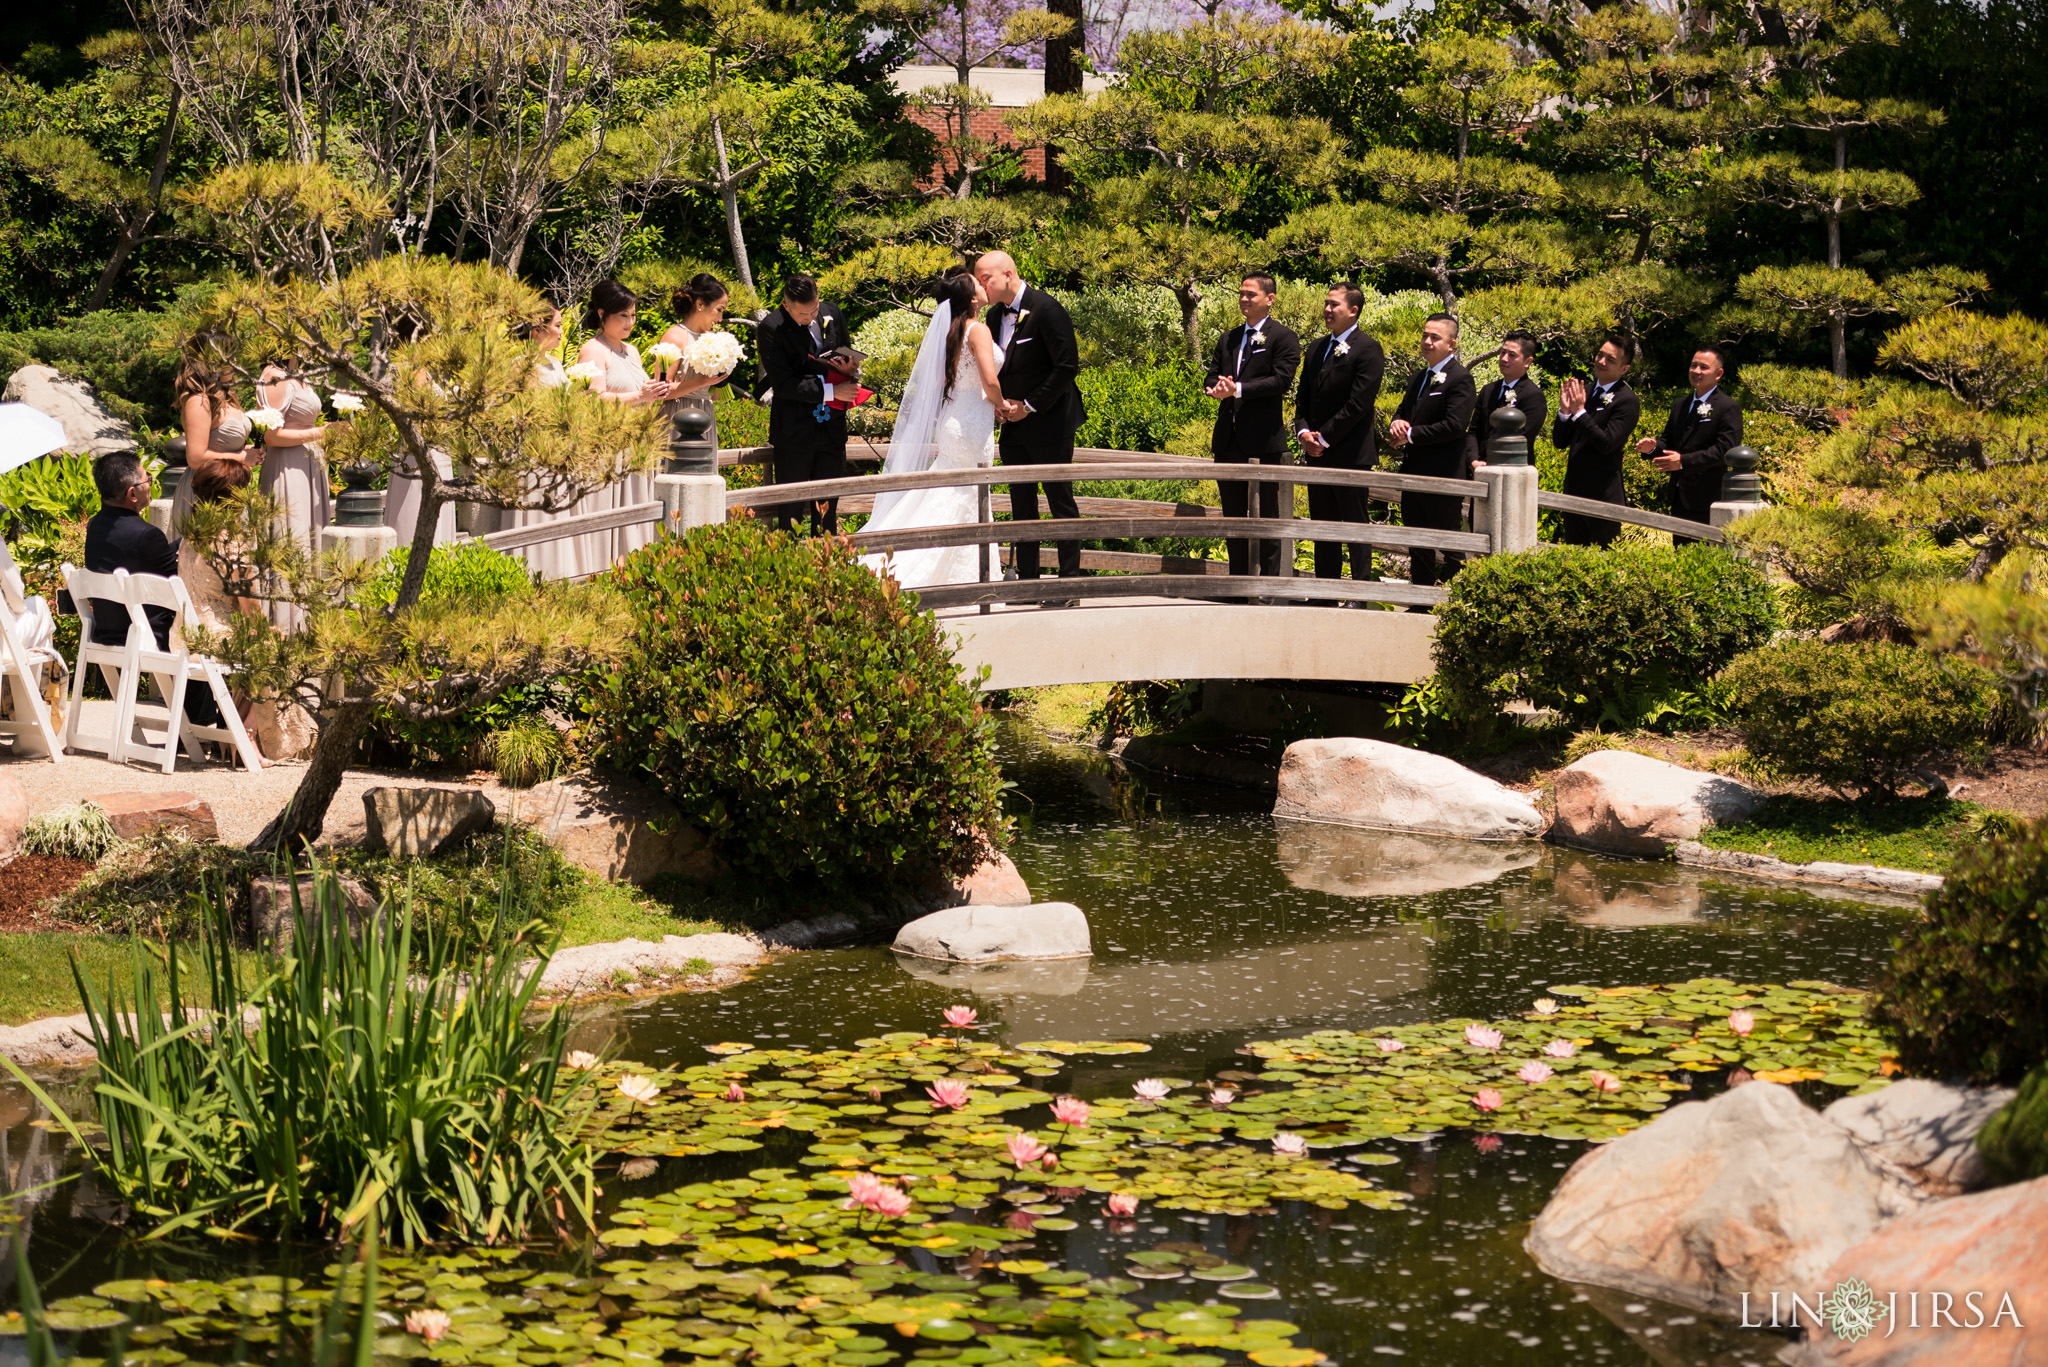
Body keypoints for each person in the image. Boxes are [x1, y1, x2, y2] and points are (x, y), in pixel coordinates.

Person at [858, 270, 1007, 589]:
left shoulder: (951, 331)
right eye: (978, 284)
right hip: (971, 421)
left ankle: (957, 574)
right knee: (968, 492)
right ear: (971, 298)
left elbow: (942, 381)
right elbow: (990, 380)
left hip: (954, 416)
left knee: (953, 491)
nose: (984, 285)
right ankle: (957, 580)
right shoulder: (977, 329)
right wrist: (1002, 404)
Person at [83, 452, 224, 731]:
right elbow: (176, 585)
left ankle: (196, 723)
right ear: (132, 494)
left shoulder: (95, 525)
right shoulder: (147, 535)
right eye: (148, 479)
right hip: (144, 633)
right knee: (202, 630)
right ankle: (201, 723)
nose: (151, 483)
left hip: (107, 628)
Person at [974, 250, 1087, 592]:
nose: (981, 286)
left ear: (1007, 274)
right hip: (1013, 427)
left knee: (1060, 502)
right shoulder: (994, 316)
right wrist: (998, 403)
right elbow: (997, 368)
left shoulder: (1047, 309)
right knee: (1021, 505)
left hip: (1050, 423)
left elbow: (1067, 367)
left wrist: (1030, 405)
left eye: (985, 279)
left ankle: (1068, 585)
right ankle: (1028, 584)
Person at [1205, 273, 1301, 579]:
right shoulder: (1229, 338)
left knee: (1269, 517)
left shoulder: (1283, 337)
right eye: (1241, 294)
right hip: (1228, 440)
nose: (1244, 299)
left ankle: (1271, 583)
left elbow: (1281, 380)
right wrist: (1217, 388)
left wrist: (1240, 389)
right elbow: (1212, 375)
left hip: (1264, 440)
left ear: (1269, 299)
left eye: (1251, 294)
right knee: (1233, 517)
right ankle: (1238, 583)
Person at [1293, 282, 1386, 589]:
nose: (1328, 309)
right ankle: (1325, 591)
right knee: (1323, 526)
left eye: (1335, 305)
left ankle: (1359, 591)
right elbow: (1304, 396)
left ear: (1353, 311)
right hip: (1316, 453)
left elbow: (1359, 404)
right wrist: (1304, 432)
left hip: (1351, 454)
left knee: (1355, 526)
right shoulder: (1317, 347)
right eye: (1326, 303)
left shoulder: (1368, 349)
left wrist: (1324, 438)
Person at [575, 279, 670, 562]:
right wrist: (639, 396)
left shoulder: (633, 350)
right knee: (614, 507)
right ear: (602, 314)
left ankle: (637, 562)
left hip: (639, 439)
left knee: (640, 504)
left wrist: (653, 394)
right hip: (611, 442)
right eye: (623, 315)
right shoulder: (593, 349)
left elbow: (637, 394)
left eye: (633, 315)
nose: (630, 322)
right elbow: (593, 399)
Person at [755, 273, 855, 534]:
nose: (810, 318)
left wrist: (849, 368)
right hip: (794, 430)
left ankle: (827, 565)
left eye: (814, 310)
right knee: (790, 510)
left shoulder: (832, 312)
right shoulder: (771, 327)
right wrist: (832, 391)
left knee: (827, 508)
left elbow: (845, 349)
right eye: (802, 314)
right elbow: (785, 384)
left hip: (831, 427)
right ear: (786, 306)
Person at [1388, 313, 1477, 592]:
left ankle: (1457, 599)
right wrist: (1396, 423)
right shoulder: (1417, 377)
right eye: (1425, 335)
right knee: (1417, 541)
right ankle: (1421, 599)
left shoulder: (1460, 378)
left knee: (1448, 541)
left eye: (1434, 337)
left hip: (1444, 474)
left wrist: (1410, 435)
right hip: (1414, 472)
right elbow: (1403, 411)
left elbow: (1455, 425)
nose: (1427, 342)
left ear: (1451, 344)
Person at [254, 357, 330, 631]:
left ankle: (311, 622)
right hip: (288, 469)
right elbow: (272, 437)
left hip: (309, 464)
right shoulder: (274, 376)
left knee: (311, 541)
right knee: (293, 540)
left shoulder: (297, 372)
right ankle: (287, 626)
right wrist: (320, 433)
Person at [1639, 343, 1743, 531]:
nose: (1696, 371)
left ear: (1718, 374)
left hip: (1709, 497)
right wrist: (1653, 447)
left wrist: (1683, 461)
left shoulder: (1728, 407)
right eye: (1693, 365)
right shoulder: (1680, 405)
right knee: (1682, 556)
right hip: (1679, 495)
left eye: (1704, 367)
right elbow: (1669, 442)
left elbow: (1725, 450)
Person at [1554, 334, 1643, 547]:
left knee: (1602, 561)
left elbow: (1606, 443)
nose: (1601, 362)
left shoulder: (1627, 401)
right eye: (1600, 355)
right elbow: (1560, 442)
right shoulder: (1585, 391)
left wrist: (1580, 412)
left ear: (1624, 369)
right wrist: (1565, 412)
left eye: (1610, 359)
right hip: (1574, 490)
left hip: (1603, 495)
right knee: (1574, 559)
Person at [170, 331, 256, 539]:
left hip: (232, 489)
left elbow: (219, 444)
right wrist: (242, 458)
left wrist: (244, 450)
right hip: (207, 492)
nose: (235, 361)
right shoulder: (199, 400)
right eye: (229, 355)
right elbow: (196, 458)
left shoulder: (226, 397)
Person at [658, 273, 737, 454]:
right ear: (700, 304)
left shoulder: (710, 339)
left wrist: (723, 372)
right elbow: (661, 391)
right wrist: (702, 381)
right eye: (719, 309)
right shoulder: (675, 336)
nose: (720, 318)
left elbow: (715, 396)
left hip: (705, 413)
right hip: (677, 416)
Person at [1466, 329, 1547, 475]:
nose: (1504, 359)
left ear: (1527, 362)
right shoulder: (1488, 390)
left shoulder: (1533, 396)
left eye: (1512, 355)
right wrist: (1473, 460)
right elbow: (1473, 430)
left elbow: (1522, 436)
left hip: (1513, 472)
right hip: (1479, 469)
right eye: (1503, 352)